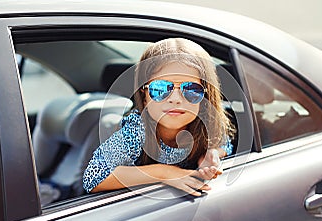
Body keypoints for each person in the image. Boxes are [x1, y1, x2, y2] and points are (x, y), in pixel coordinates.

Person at [83, 38, 235, 196]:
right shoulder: (136, 130)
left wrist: (211, 154)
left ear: (205, 98)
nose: (175, 98)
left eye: (191, 90)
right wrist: (165, 173)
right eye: (160, 88)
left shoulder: (208, 123)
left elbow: (225, 143)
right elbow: (94, 177)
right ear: (144, 95)